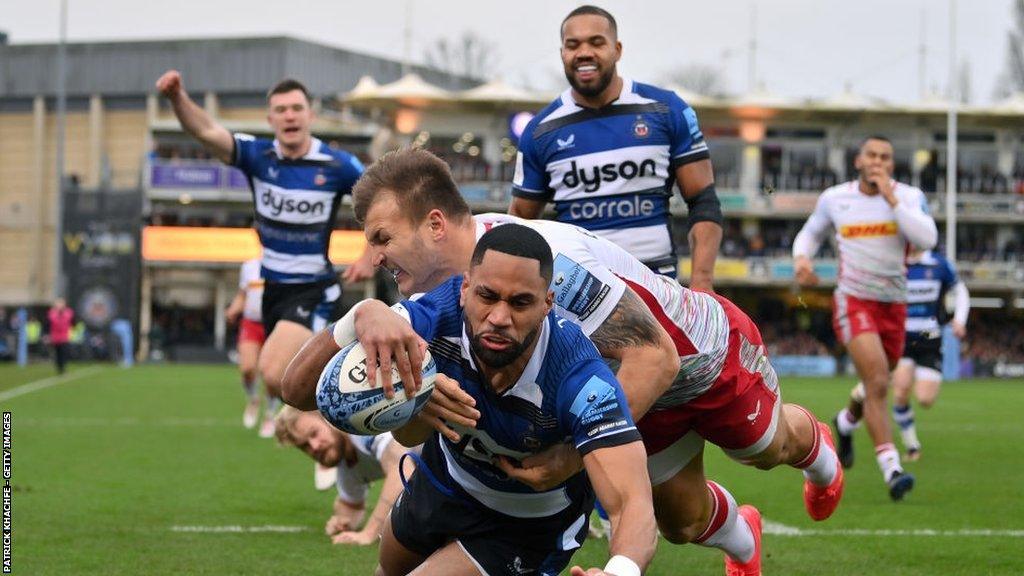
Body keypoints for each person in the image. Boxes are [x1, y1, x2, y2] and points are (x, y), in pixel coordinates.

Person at [283, 148, 845, 576]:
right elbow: (316, 392)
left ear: (434, 225)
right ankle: (744, 541)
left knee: (767, 449)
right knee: (680, 520)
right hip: (609, 384)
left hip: (696, 356)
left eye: (381, 236)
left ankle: (820, 454)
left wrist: (570, 457)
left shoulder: (544, 261)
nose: (372, 255)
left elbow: (656, 358)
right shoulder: (440, 294)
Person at [286, 224, 656, 576]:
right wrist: (361, 315)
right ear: (465, 289)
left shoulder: (579, 376)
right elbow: (296, 392)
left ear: (547, 304)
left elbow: (632, 503)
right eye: (487, 296)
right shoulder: (430, 317)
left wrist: (619, 570)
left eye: (520, 303)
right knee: (388, 569)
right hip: (444, 478)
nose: (499, 317)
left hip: (525, 522)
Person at [154, 70, 374, 419]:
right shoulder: (259, 156)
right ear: (270, 119)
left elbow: (380, 201)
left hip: (312, 289)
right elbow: (206, 131)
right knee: (280, 386)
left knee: (275, 373)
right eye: (282, 109)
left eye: (297, 108)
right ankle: (340, 418)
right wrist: (177, 97)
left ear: (310, 115)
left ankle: (356, 414)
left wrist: (370, 252)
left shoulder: (337, 165)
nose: (290, 115)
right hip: (273, 289)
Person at [509, 5, 722, 287]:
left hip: (656, 288)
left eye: (596, 42)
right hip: (580, 292)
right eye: (573, 45)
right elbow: (521, 221)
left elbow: (703, 201)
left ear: (617, 49)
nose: (584, 52)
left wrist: (702, 283)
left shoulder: (666, 109)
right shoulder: (540, 130)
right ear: (563, 53)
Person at [792, 135, 938, 500]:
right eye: (871, 155)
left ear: (892, 164)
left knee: (877, 381)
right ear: (858, 161)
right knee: (877, 380)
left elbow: (928, 238)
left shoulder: (907, 196)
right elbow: (810, 233)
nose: (878, 161)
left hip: (894, 304)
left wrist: (892, 200)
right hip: (854, 300)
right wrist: (802, 259)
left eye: (885, 157)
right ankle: (892, 469)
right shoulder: (835, 199)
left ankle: (845, 421)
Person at [273, 406, 415, 546]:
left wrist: (369, 533)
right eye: (305, 446)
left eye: (314, 433)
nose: (314, 446)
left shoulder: (362, 427)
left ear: (328, 419)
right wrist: (342, 522)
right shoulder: (346, 460)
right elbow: (352, 506)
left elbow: (402, 469)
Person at [890, 249, 969, 460]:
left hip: (930, 339)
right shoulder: (894, 260)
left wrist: (960, 319)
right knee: (900, 393)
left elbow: (961, 291)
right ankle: (912, 446)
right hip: (903, 340)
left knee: (925, 399)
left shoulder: (939, 264)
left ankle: (918, 379)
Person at [224, 257, 272, 435]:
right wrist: (233, 310)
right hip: (251, 323)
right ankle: (253, 400)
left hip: (273, 323)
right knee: (247, 368)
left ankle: (269, 415)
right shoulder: (249, 266)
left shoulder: (284, 265)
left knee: (270, 374)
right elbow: (243, 295)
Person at [47, 298, 74, 374]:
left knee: (64, 352)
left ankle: (63, 367)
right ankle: (59, 368)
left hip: (64, 336)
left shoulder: (68, 312)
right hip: (55, 336)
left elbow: (72, 323)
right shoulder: (52, 313)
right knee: (57, 353)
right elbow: (49, 324)